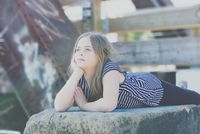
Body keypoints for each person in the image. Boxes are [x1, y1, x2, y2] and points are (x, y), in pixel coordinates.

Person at [54, 32, 200, 112]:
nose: (80, 53)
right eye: (77, 49)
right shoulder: (79, 77)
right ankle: (181, 87)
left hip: (151, 90)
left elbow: (108, 105)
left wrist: (84, 105)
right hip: (137, 90)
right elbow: (59, 106)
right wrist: (76, 73)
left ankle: (181, 89)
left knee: (193, 99)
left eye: (87, 49)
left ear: (100, 55)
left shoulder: (108, 69)